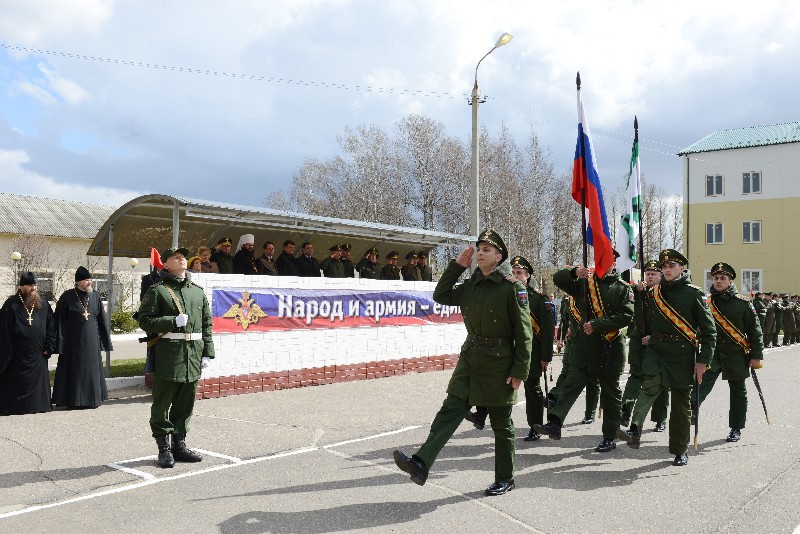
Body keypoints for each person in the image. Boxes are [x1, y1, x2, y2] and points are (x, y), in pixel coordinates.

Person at [393, 229, 532, 496]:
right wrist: (456, 267)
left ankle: (505, 477)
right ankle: (421, 462)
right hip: (471, 359)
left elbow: (524, 334)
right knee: (451, 409)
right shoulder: (471, 285)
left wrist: (519, 371)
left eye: (486, 250)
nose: (480, 253)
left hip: (499, 364)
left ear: (499, 256)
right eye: (478, 248)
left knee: (501, 423)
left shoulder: (512, 288)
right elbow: (441, 295)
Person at [617, 249, 716, 467]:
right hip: (657, 350)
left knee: (680, 404)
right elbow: (643, 322)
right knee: (649, 386)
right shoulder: (654, 294)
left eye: (672, 266)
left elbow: (709, 331)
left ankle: (680, 449)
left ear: (682, 268)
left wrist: (702, 361)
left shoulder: (694, 294)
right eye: (665, 266)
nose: (667, 269)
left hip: (682, 354)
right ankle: (634, 430)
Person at [535, 252, 633, 453]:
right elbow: (558, 279)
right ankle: (555, 423)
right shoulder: (583, 283)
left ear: (613, 263)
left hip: (609, 347)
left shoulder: (622, 288)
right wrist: (573, 272)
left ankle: (609, 436)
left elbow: (627, 315)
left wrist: (597, 324)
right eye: (598, 259)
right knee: (571, 384)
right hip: (584, 347)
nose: (601, 264)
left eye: (606, 260)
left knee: (610, 394)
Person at [137, 247, 215, 468]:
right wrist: (171, 321)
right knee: (162, 404)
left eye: (182, 256)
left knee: (185, 403)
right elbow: (145, 321)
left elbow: (207, 325)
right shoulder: (158, 290)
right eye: (175, 257)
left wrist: (207, 352)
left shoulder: (197, 292)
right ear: (166, 265)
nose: (181, 259)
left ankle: (179, 445)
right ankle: (164, 449)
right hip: (169, 356)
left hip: (193, 355)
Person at [694, 262, 763, 443]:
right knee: (701, 383)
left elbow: (755, 331)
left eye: (722, 278)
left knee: (738, 391)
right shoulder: (706, 302)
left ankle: (736, 427)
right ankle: (691, 413)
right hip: (713, 351)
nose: (718, 281)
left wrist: (756, 355)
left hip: (735, 352)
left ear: (730, 280)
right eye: (716, 278)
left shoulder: (743, 303)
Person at [51, 267, 113, 409]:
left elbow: (101, 320)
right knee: (74, 370)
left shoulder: (95, 296)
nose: (89, 282)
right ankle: (72, 400)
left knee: (91, 370)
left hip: (92, 341)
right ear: (78, 282)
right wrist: (58, 342)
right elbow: (58, 320)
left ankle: (92, 399)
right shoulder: (67, 297)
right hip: (72, 342)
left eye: (90, 279)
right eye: (86, 280)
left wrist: (104, 342)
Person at [620, 260, 670, 431]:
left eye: (653, 274)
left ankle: (660, 418)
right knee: (636, 375)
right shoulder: (639, 291)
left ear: (660, 276)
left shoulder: (665, 292)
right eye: (647, 274)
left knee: (659, 382)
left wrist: (654, 337)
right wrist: (636, 290)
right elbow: (625, 296)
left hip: (657, 342)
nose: (649, 277)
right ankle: (625, 410)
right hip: (638, 339)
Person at [511, 256, 554, 442]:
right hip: (508, 350)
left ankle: (535, 425)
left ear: (527, 276)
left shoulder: (538, 298)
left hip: (532, 353)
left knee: (532, 390)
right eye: (513, 273)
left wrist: (545, 357)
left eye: (519, 273)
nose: (515, 276)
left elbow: (546, 330)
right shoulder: (505, 293)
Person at [0, 272, 57, 415]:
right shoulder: (11, 304)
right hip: (18, 354)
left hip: (38, 353)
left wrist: (49, 346)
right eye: (30, 285)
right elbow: (4, 330)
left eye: (35, 285)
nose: (33, 288)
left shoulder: (43, 304)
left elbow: (52, 326)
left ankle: (39, 405)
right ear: (21, 286)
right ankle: (18, 407)